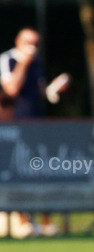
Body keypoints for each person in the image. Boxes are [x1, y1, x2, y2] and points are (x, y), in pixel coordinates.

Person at [0, 28, 70, 237]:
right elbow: (11, 89)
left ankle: (40, 220)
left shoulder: (37, 62)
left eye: (36, 43)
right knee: (15, 171)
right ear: (18, 41)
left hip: (35, 126)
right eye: (28, 42)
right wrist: (24, 62)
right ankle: (19, 220)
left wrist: (53, 89)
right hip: (13, 126)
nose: (33, 47)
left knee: (37, 171)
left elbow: (38, 93)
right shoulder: (8, 59)